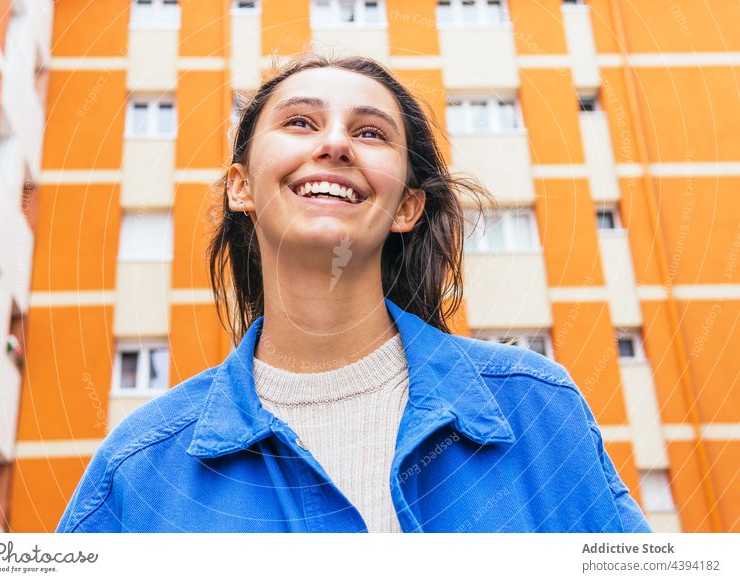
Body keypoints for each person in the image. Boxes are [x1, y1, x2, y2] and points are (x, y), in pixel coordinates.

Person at [57, 53, 651, 533]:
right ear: (240, 186)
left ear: (407, 207)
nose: (335, 145)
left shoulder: (538, 409)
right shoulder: (137, 474)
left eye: (370, 132)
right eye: (299, 122)